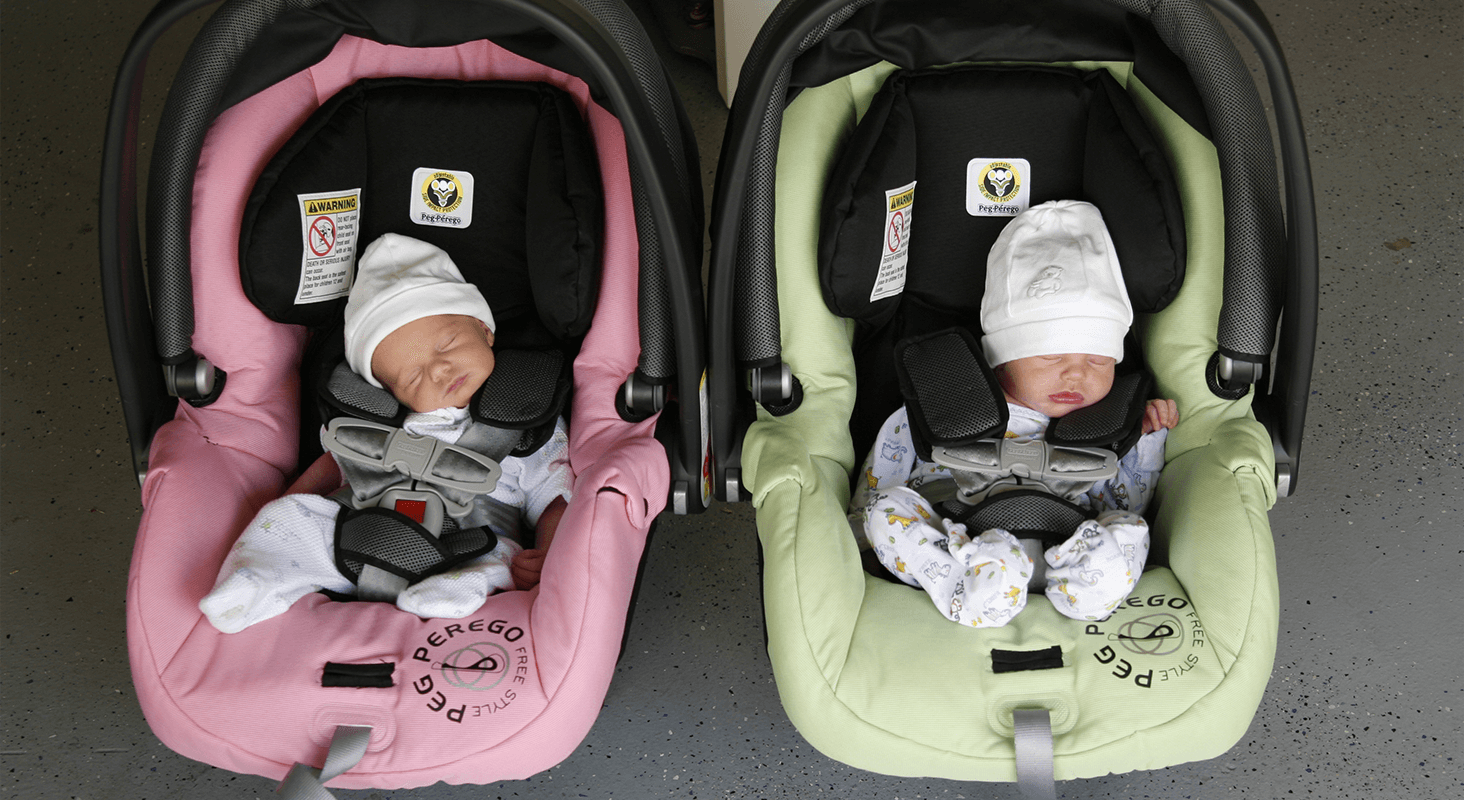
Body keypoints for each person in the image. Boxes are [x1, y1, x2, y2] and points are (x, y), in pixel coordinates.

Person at [201, 234, 571, 633]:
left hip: (472, 540)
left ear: (485, 329)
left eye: (447, 344)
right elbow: (332, 468)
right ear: (389, 391)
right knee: (287, 519)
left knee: (503, 562)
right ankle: (255, 585)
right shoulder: (374, 422)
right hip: (361, 530)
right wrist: (291, 505)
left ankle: (450, 595)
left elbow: (554, 495)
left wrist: (550, 549)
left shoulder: (524, 420)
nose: (438, 370)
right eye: (412, 376)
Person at [850, 200, 1179, 628]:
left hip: (1070, 549)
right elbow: (881, 485)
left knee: (1132, 527)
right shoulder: (943, 408)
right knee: (885, 511)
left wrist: (1148, 439)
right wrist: (862, 531)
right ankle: (973, 589)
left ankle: (1088, 590)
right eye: (1050, 357)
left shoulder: (1110, 424)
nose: (1076, 373)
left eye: (1098, 361)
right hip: (962, 546)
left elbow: (1125, 503)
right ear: (1002, 361)